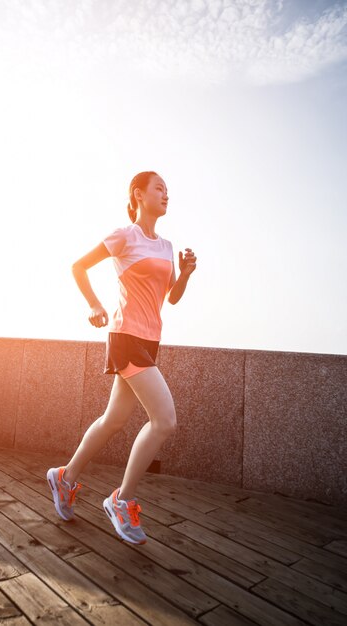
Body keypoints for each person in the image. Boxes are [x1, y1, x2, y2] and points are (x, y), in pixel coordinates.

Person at [47, 171, 197, 545]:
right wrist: (95, 305)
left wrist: (187, 273)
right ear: (138, 194)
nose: (166, 194)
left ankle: (64, 477)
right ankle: (121, 499)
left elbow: (171, 297)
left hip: (150, 340)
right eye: (159, 188)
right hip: (125, 337)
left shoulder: (165, 246)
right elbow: (78, 267)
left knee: (113, 420)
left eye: (168, 190)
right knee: (164, 421)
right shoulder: (124, 236)